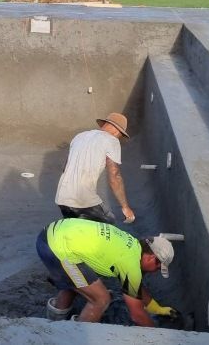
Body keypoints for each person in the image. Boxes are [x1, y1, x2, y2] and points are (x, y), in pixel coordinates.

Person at [36, 218, 177, 326]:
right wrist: (158, 334)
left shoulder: (133, 245)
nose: (156, 272)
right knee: (101, 299)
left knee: (79, 283)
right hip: (58, 249)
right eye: (159, 268)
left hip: (52, 234)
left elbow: (135, 286)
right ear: (151, 258)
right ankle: (76, 336)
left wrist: (156, 308)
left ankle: (53, 325)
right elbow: (137, 315)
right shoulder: (130, 264)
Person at [54, 112, 135, 224]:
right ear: (117, 131)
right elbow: (114, 175)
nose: (119, 139)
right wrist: (125, 207)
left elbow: (65, 168)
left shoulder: (79, 136)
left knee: (79, 230)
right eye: (121, 136)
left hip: (62, 198)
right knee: (108, 226)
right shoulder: (112, 141)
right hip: (83, 200)